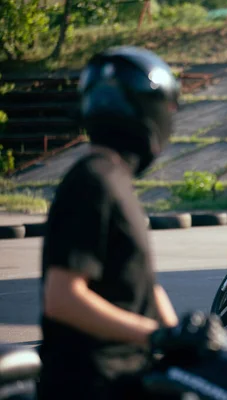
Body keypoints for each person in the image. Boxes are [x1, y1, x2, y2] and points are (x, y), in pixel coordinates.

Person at [37, 46, 194, 400]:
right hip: (92, 383)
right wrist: (154, 336)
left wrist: (182, 334)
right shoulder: (93, 182)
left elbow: (140, 284)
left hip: (128, 378)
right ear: (150, 111)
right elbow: (62, 297)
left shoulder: (114, 178)